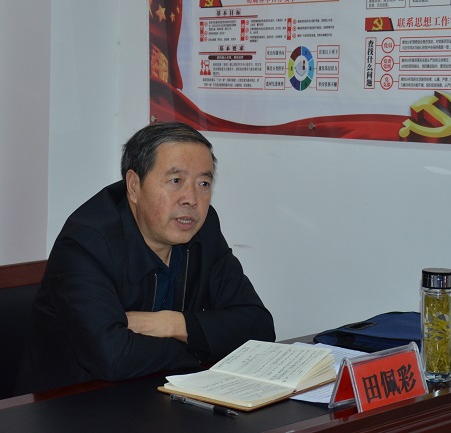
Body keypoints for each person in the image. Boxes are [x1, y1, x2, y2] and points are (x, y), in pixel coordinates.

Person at [15, 121, 275, 395]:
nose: (191, 199)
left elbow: (259, 327)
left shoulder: (204, 227)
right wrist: (203, 345)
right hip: (70, 404)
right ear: (133, 186)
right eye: (176, 181)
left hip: (161, 397)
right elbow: (114, 358)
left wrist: (171, 324)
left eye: (203, 183)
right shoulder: (86, 241)